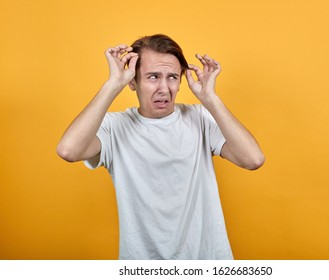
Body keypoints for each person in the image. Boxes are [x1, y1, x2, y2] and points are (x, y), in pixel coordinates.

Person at [57, 34, 265, 260]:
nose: (164, 88)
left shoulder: (200, 118)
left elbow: (253, 159)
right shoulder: (114, 127)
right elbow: (69, 151)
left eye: (172, 77)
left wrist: (211, 99)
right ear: (133, 81)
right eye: (153, 77)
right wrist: (112, 84)